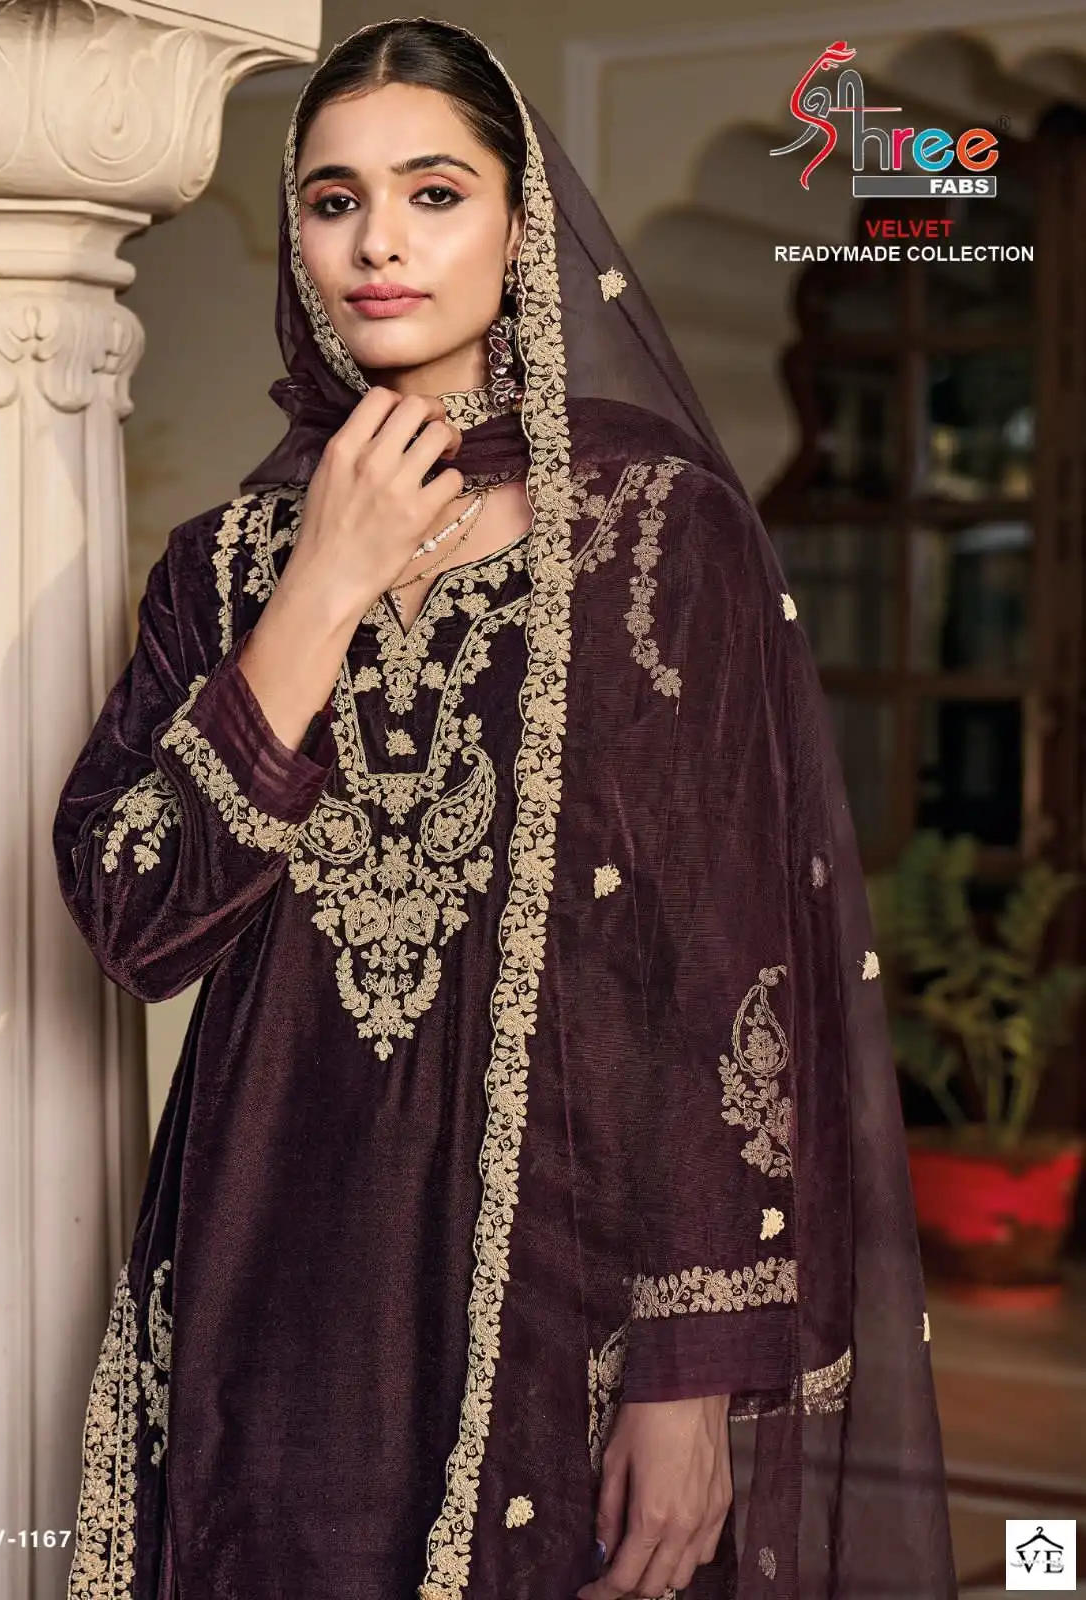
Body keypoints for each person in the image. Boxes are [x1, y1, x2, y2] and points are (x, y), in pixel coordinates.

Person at [55, 17, 957, 1600]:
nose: (379, 243)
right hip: (270, 1271)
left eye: (434, 192)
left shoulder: (656, 533)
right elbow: (136, 918)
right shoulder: (227, 566)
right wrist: (322, 587)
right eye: (333, 201)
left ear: (521, 226)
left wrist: (688, 1376)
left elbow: (727, 964)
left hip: (564, 1283)